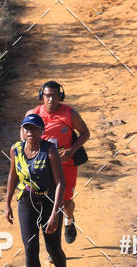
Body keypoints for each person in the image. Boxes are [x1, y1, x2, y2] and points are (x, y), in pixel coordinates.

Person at [5, 113, 71, 267]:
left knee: (53, 249)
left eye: (34, 128)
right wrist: (7, 203)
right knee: (30, 247)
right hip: (26, 201)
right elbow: (12, 176)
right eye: (27, 128)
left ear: (42, 131)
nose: (30, 132)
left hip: (49, 202)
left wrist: (54, 215)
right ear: (22, 131)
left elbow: (60, 182)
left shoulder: (49, 150)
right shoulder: (16, 150)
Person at [27, 81, 90, 244]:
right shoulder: (33, 114)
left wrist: (71, 151)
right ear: (42, 96)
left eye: (54, 96)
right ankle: (54, 246)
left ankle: (69, 220)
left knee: (66, 201)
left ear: (60, 96)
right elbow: (24, 138)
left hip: (66, 164)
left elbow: (85, 133)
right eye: (47, 95)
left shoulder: (69, 114)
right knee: (50, 203)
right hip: (44, 166)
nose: (51, 99)